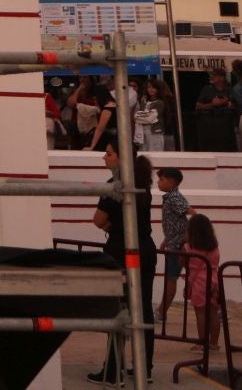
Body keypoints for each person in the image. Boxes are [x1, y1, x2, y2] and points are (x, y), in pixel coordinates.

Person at [92, 147, 156, 384]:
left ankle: (112, 370)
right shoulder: (143, 182)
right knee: (144, 308)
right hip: (145, 249)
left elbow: (98, 220)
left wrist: (112, 229)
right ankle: (144, 367)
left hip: (122, 250)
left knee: (120, 308)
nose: (104, 157)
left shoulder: (115, 184)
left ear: (121, 157)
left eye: (109, 153)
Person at [157, 166, 190, 322]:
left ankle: (161, 311)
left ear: (171, 182)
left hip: (178, 246)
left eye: (161, 179)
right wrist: (167, 239)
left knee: (171, 278)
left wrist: (186, 239)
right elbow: (177, 222)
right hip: (175, 243)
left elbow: (192, 214)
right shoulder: (170, 197)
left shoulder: (174, 198)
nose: (158, 182)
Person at [187, 214, 223, 353]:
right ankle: (213, 343)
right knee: (214, 313)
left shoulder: (189, 247)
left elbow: (182, 261)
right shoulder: (214, 248)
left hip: (199, 283)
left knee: (200, 313)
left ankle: (202, 343)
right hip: (214, 280)